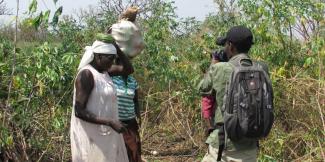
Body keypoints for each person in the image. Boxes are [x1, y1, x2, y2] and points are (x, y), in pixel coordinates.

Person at [200, 26, 270, 162]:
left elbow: (203, 88)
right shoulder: (262, 68)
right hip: (251, 144)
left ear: (230, 46)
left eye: (225, 44)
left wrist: (214, 63)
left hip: (224, 145)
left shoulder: (220, 68)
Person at [70, 37, 134, 162]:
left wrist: (116, 47)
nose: (112, 63)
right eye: (110, 59)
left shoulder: (105, 72)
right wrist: (109, 122)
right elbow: (79, 111)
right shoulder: (87, 75)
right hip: (91, 134)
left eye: (114, 59)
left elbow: (128, 69)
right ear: (98, 56)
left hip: (106, 132)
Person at [111, 59, 142, 162]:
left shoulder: (132, 81)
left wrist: (138, 115)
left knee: (134, 150)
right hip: (117, 122)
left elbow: (135, 100)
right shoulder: (112, 79)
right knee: (120, 150)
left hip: (130, 121)